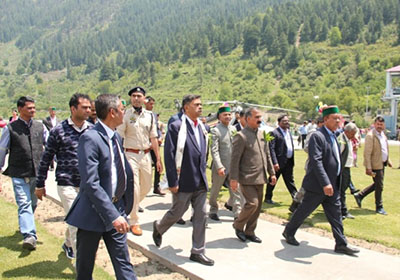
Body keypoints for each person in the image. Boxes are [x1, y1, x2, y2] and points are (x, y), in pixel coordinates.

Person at [65, 94, 136, 280]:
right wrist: (112, 215)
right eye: (122, 109)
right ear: (112, 112)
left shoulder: (116, 138)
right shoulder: (90, 138)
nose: (125, 113)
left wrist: (121, 209)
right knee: (85, 266)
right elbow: (90, 182)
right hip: (93, 213)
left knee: (124, 264)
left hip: (117, 209)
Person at [282, 106, 359, 256]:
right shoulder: (317, 136)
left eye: (339, 118)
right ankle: (289, 231)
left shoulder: (334, 136)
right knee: (304, 210)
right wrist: (325, 183)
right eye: (335, 118)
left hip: (333, 184)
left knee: (335, 215)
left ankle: (341, 243)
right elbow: (316, 161)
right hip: (318, 185)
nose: (338, 121)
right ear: (325, 120)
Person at [152, 94, 214, 266]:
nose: (200, 107)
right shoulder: (177, 126)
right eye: (196, 105)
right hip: (184, 179)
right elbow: (170, 154)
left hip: (200, 180)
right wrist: (172, 181)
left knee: (202, 214)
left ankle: (197, 251)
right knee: (178, 212)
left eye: (201, 104)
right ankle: (159, 227)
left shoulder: (201, 127)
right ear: (186, 107)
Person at [35, 93, 92, 259]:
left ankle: (68, 243)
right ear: (73, 109)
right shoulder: (58, 131)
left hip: (87, 185)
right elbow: (46, 159)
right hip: (66, 183)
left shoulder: (92, 130)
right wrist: (40, 184)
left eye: (89, 107)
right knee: (78, 225)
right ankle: (81, 269)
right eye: (84, 107)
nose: (88, 110)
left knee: (78, 220)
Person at [0, 96, 47, 250]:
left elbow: (50, 145)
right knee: (24, 203)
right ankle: (29, 235)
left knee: (32, 203)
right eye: (29, 108)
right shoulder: (10, 128)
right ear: (20, 109)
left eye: (34, 108)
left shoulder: (40, 127)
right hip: (18, 172)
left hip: (36, 173)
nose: (32, 110)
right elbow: (2, 150)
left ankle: (26, 224)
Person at [117, 86, 162, 236]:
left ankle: (129, 204)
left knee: (147, 186)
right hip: (130, 153)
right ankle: (134, 221)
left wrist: (159, 159)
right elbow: (120, 136)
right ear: (130, 98)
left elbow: (153, 137)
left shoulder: (150, 116)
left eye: (139, 96)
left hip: (145, 154)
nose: (136, 98)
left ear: (144, 98)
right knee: (134, 187)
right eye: (134, 96)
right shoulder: (125, 115)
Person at [230, 107, 276, 243]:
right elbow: (234, 160)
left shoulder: (262, 134)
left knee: (257, 208)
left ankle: (250, 231)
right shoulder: (241, 136)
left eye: (260, 117)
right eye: (256, 117)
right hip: (247, 178)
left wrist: (272, 173)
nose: (259, 120)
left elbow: (267, 155)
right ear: (248, 119)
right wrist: (233, 179)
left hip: (261, 177)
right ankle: (238, 225)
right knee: (252, 204)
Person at [209, 104, 242, 221]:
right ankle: (213, 209)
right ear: (219, 117)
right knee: (215, 190)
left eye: (229, 114)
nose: (228, 117)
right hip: (221, 167)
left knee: (236, 190)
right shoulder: (215, 130)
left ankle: (238, 213)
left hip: (233, 167)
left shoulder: (233, 129)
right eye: (225, 115)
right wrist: (219, 166)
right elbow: (214, 150)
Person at [354, 116, 392, 215]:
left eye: (381, 124)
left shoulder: (383, 135)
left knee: (378, 184)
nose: (380, 126)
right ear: (374, 124)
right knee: (379, 186)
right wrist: (368, 167)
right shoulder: (371, 136)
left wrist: (388, 160)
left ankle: (360, 195)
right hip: (375, 165)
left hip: (382, 163)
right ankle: (379, 206)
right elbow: (367, 153)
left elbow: (384, 149)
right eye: (378, 124)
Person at [264, 114, 297, 204]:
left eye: (287, 121)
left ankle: (296, 198)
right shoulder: (274, 133)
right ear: (279, 123)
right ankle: (268, 197)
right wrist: (274, 162)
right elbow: (271, 149)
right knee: (273, 180)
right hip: (278, 162)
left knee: (290, 181)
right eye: (284, 121)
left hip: (288, 161)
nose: (286, 122)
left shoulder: (288, 132)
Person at [144, 96, 165, 196]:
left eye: (153, 104)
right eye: (150, 104)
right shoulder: (141, 114)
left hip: (154, 144)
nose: (152, 106)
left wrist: (160, 138)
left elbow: (156, 130)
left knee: (159, 165)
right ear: (145, 103)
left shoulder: (153, 115)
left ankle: (156, 186)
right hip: (144, 145)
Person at [338, 123, 358, 219]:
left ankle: (342, 210)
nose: (354, 136)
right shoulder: (342, 139)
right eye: (352, 134)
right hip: (342, 169)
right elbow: (338, 155)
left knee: (342, 190)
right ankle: (343, 211)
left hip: (347, 168)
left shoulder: (348, 139)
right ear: (347, 131)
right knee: (341, 190)